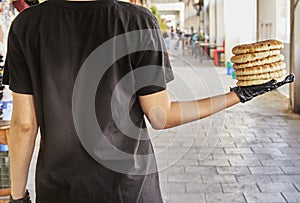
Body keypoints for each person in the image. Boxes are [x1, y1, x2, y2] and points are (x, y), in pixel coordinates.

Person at [3, 0, 294, 203]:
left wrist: (18, 197)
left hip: (58, 191)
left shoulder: (26, 25)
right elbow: (160, 116)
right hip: (129, 191)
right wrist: (238, 95)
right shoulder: (137, 21)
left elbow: (24, 126)